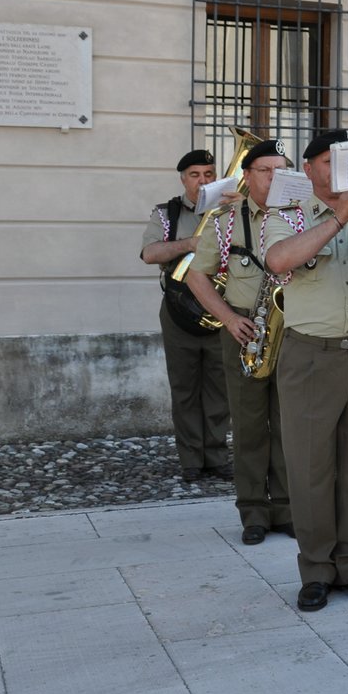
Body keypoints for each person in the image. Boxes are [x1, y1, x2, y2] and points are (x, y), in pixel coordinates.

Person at [263, 130, 348, 612]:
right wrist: (339, 218)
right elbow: (278, 260)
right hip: (309, 355)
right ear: (311, 168)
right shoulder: (286, 215)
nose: (340, 170)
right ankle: (316, 568)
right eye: (330, 162)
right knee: (311, 467)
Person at [184, 139, 295, 545]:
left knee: (288, 424)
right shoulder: (224, 219)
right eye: (266, 170)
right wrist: (229, 318)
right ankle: (253, 510)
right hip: (245, 328)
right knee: (250, 426)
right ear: (247, 176)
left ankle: (284, 507)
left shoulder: (301, 217)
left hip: (291, 329)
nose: (274, 177)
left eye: (281, 170)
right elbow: (197, 275)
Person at [140, 149, 232, 483]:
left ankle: (217, 455)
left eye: (209, 174)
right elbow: (150, 253)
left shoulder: (229, 211)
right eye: (195, 175)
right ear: (183, 179)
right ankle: (191, 458)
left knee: (220, 387)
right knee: (185, 387)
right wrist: (191, 243)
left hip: (222, 309)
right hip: (181, 308)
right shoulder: (169, 213)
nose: (203, 181)